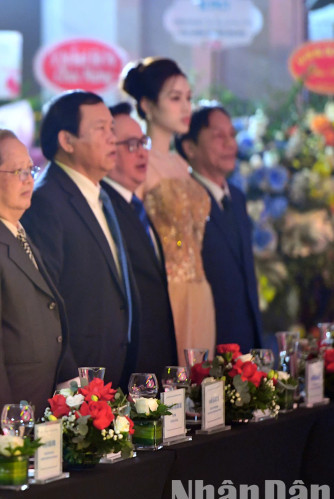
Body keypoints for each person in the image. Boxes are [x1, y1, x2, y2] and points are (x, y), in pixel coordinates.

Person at [22, 91, 140, 389]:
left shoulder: (100, 194)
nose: (112, 138)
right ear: (67, 141)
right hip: (79, 383)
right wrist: (72, 380)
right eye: (101, 129)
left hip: (116, 372)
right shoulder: (46, 201)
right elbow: (45, 304)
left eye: (112, 129)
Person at [0, 128, 73, 421]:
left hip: (42, 397)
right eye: (17, 171)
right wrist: (4, 423)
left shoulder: (17, 229)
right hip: (15, 408)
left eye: (30, 169)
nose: (29, 179)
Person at [121, 57, 216, 364]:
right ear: (147, 104)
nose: (186, 107)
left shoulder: (180, 164)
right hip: (166, 291)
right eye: (175, 98)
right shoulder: (139, 163)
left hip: (200, 290)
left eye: (188, 98)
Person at [177, 105, 263, 351]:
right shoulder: (184, 200)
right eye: (218, 136)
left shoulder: (237, 197)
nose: (230, 144)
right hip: (208, 343)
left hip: (246, 341)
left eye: (232, 135)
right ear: (189, 147)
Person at [100, 102, 176, 376]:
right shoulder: (104, 206)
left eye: (143, 142)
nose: (142, 152)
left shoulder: (136, 204)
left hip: (157, 353)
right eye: (131, 145)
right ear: (108, 149)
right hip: (132, 364)